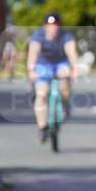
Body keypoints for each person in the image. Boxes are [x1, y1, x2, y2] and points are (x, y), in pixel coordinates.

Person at [27, 12, 79, 142]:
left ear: (59, 26)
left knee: (65, 85)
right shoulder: (38, 35)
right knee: (42, 94)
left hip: (61, 63)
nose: (53, 28)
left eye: (55, 25)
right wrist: (31, 69)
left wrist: (75, 68)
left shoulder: (66, 36)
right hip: (43, 65)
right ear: (45, 26)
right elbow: (33, 53)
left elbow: (72, 53)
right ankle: (42, 127)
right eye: (50, 25)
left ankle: (65, 103)